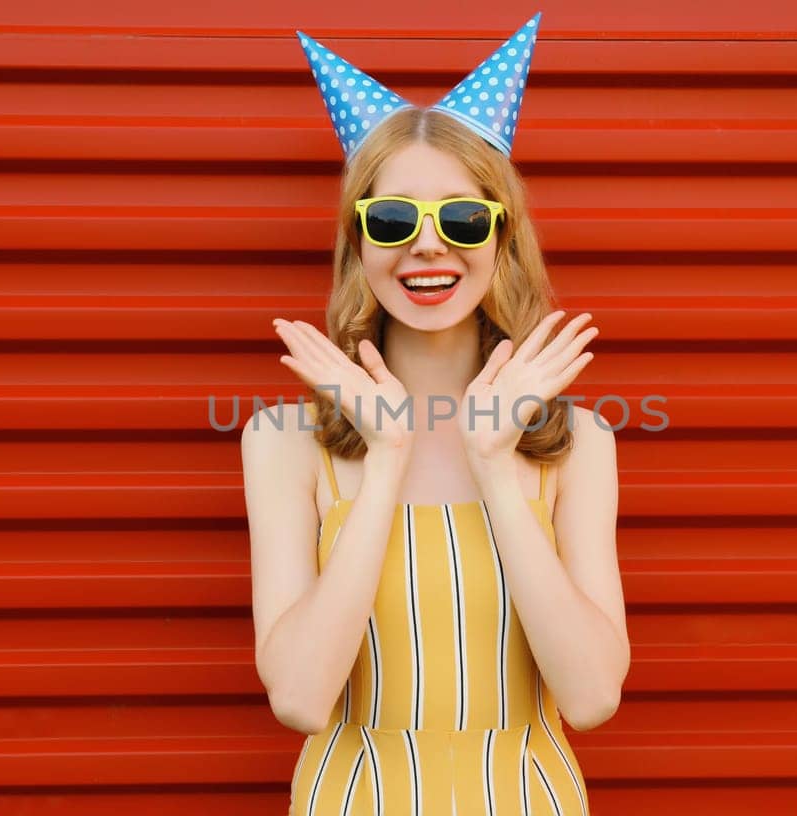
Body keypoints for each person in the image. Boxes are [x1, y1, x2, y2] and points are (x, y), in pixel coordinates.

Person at [241, 13, 628, 814]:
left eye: (461, 218)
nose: (427, 247)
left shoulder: (577, 441)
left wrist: (493, 462)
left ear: (501, 236)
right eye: (391, 219)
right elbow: (303, 701)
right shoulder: (281, 442)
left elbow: (590, 698)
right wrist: (384, 461)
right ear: (358, 241)